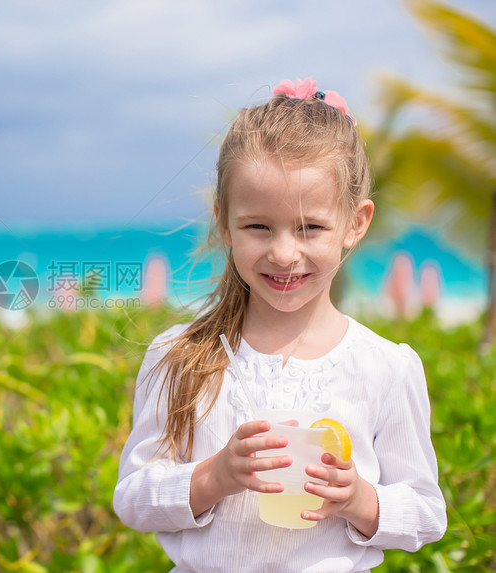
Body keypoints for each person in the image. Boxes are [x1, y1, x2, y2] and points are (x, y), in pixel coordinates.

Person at [113, 78, 446, 572]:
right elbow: (134, 498)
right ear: (223, 221)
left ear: (356, 223)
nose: (284, 252)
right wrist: (215, 475)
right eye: (258, 226)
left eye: (310, 227)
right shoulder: (179, 356)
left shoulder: (385, 368)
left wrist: (358, 499)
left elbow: (425, 512)